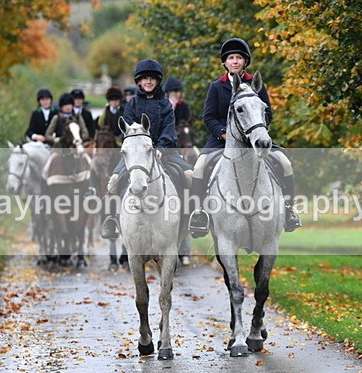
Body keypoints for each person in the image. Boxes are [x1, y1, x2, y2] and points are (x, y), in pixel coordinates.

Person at [187, 37, 301, 236]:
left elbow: (267, 113)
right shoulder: (216, 87)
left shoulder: (256, 84)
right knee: (200, 166)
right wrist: (222, 133)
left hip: (254, 139)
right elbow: (209, 116)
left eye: (239, 57)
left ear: (245, 62)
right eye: (231, 58)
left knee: (284, 163)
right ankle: (199, 213)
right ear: (225, 62)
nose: (235, 61)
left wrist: (255, 131)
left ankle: (289, 210)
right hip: (221, 140)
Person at [99, 59, 192, 240]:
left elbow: (169, 129)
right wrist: (142, 147)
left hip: (165, 151)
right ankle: (111, 219)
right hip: (137, 154)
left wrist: (161, 148)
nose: (148, 82)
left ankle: (192, 216)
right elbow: (127, 130)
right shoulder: (131, 104)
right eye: (145, 78)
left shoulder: (165, 104)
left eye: (152, 78)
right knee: (113, 180)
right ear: (139, 82)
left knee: (189, 174)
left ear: (157, 81)